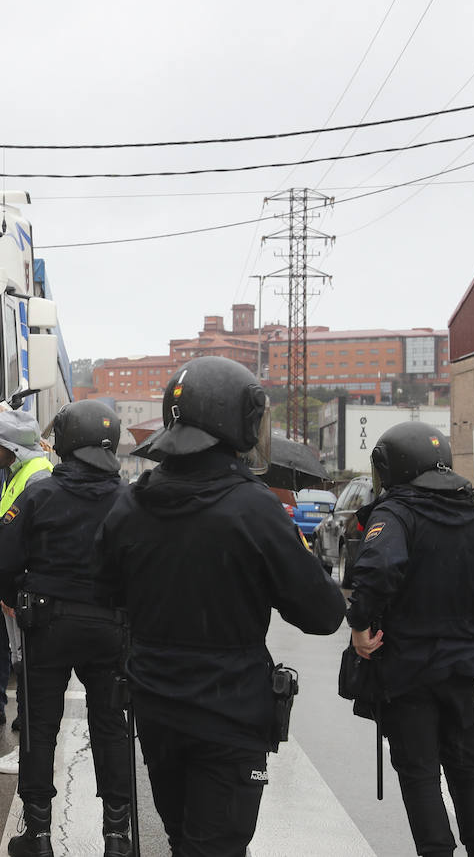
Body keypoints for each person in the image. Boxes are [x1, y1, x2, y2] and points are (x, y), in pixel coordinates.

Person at [97, 356, 345, 856]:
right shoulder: (255, 509)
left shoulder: (131, 503)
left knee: (182, 839)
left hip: (156, 704)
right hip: (228, 711)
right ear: (236, 422)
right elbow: (323, 614)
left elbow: (106, 593)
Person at [349, 422, 474, 857]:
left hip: (408, 669)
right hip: (463, 670)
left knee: (420, 773)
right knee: (466, 770)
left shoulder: (396, 512)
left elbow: (378, 570)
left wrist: (360, 625)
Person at [0, 401, 131, 857]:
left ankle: (38, 834)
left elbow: (6, 562)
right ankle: (117, 836)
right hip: (111, 625)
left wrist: (17, 599)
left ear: (67, 443)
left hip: (48, 625)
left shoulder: (39, 494)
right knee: (111, 726)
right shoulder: (127, 498)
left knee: (39, 729)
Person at [0, 410, 53, 733]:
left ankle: (29, 727)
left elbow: (36, 542)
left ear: (11, 445)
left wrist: (16, 590)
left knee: (29, 663)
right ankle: (26, 722)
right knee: (20, 660)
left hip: (25, 591)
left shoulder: (37, 476)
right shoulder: (18, 472)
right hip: (16, 589)